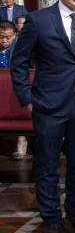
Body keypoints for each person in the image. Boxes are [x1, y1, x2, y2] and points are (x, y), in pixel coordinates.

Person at [11, 0, 75, 233]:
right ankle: (50, 217)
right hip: (47, 104)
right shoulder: (39, 20)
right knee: (47, 163)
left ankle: (74, 211)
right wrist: (26, 99)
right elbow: (19, 62)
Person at [0, 20, 27, 160]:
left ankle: (21, 142)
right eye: (1, 37)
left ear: (15, 36)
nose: (4, 40)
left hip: (14, 89)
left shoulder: (20, 50)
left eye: (8, 37)